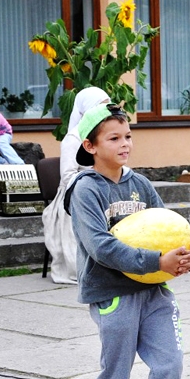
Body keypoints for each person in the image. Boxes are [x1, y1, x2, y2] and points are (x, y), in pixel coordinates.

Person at [65, 103, 190, 379]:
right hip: (113, 295)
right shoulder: (86, 190)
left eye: (127, 136)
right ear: (91, 146)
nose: (125, 143)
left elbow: (170, 229)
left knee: (169, 367)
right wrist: (157, 258)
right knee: (116, 376)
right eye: (114, 138)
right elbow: (100, 246)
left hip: (156, 292)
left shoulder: (140, 184)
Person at [42, 87, 111, 284]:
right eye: (100, 107)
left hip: (101, 189)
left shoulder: (103, 136)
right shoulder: (73, 139)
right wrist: (93, 182)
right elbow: (68, 176)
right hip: (76, 195)